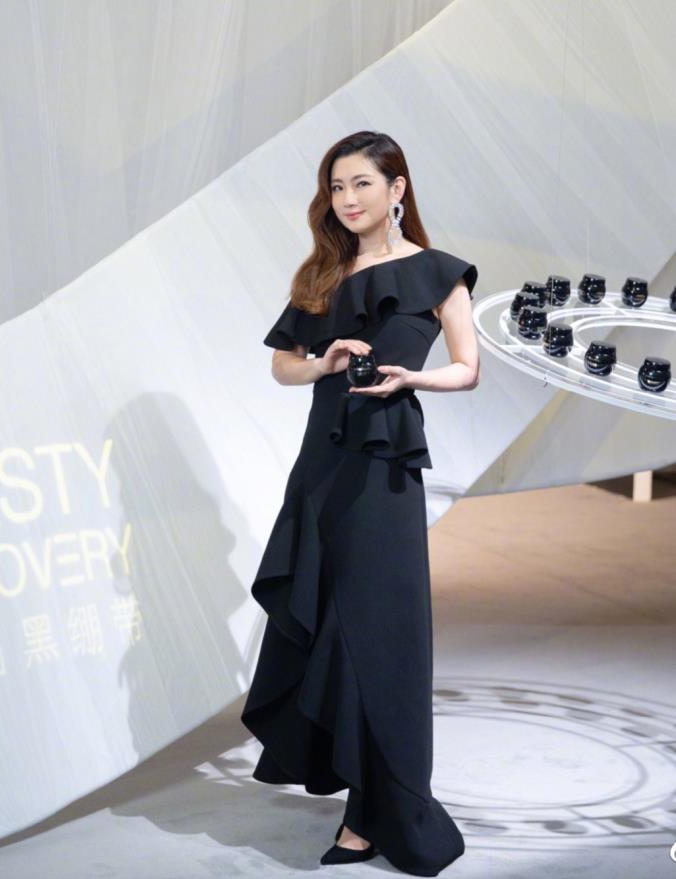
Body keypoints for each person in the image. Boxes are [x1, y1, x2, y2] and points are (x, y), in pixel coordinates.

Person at [240, 130, 479, 876]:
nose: (346, 199)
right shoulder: (324, 272)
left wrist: (412, 378)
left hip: (385, 472)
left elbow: (467, 368)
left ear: (397, 188)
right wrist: (325, 361)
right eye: (336, 187)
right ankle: (357, 805)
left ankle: (386, 808)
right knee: (332, 629)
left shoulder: (438, 271)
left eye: (361, 184)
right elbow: (282, 366)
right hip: (323, 467)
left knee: (382, 636)